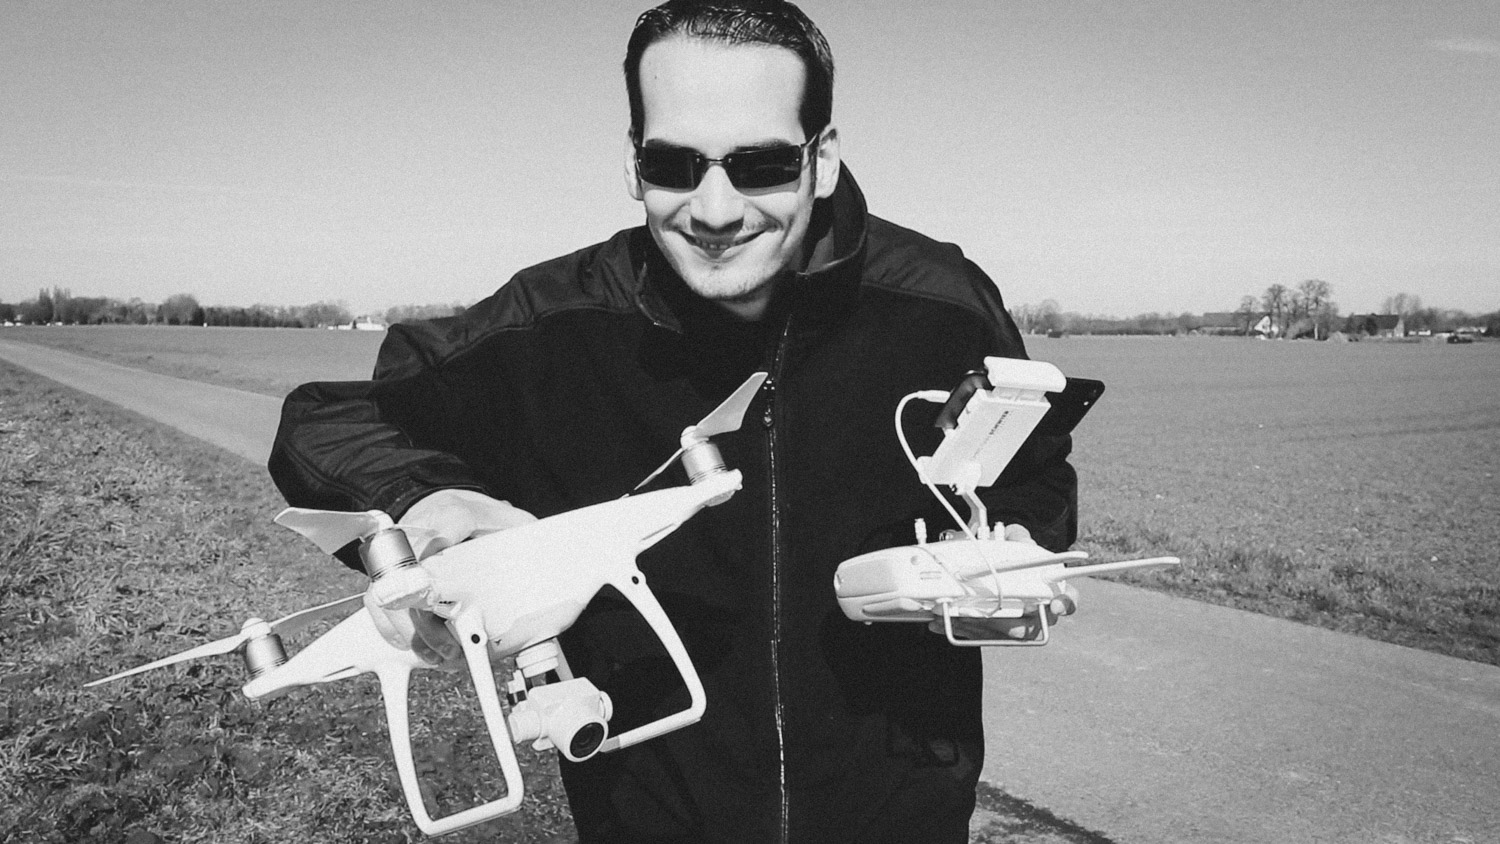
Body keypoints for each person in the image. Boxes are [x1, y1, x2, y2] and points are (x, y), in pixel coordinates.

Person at [268, 1, 1077, 841]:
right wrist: (425, 500)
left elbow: (1034, 468)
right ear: (633, 164)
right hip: (650, 814)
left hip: (902, 813)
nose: (716, 210)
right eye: (675, 165)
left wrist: (1018, 544)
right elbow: (325, 419)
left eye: (762, 164)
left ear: (823, 159)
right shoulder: (557, 322)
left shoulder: (941, 307)